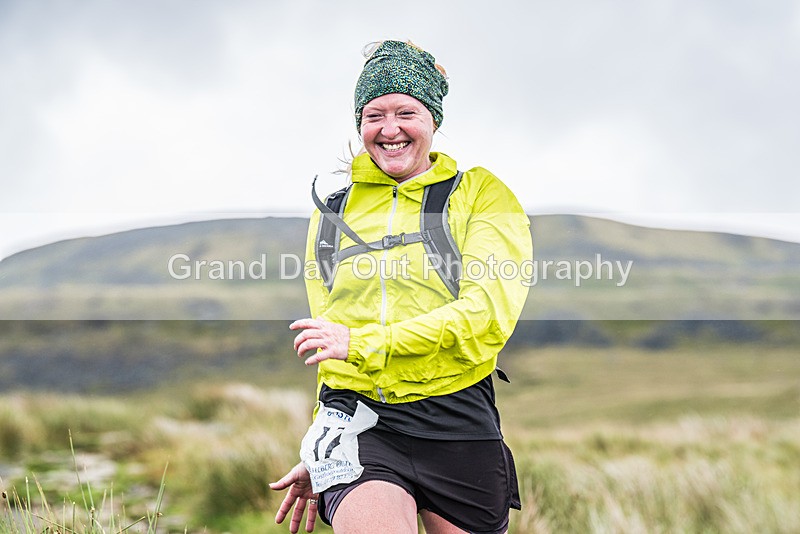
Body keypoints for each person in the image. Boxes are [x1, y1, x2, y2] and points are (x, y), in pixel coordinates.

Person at [269, 39, 532, 534]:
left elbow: (486, 319)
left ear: (432, 118)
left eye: (405, 112)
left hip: (456, 418)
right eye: (373, 115)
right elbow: (329, 342)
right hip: (362, 424)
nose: (389, 130)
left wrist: (365, 344)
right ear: (359, 124)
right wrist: (321, 442)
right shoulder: (334, 210)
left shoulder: (481, 194)